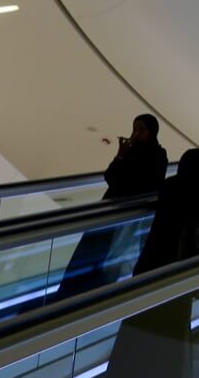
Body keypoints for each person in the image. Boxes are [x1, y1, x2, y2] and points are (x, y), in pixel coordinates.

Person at [106, 148, 199, 378]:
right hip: (182, 271)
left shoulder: (170, 185)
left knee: (139, 324)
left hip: (151, 265)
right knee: (172, 329)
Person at [57, 114, 170, 300]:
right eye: (134, 129)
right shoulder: (130, 151)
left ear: (151, 132)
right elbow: (110, 177)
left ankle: (95, 297)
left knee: (112, 258)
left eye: (141, 129)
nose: (136, 133)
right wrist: (120, 155)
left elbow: (148, 184)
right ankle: (71, 295)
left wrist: (124, 179)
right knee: (91, 254)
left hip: (129, 216)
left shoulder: (158, 154)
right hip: (111, 210)